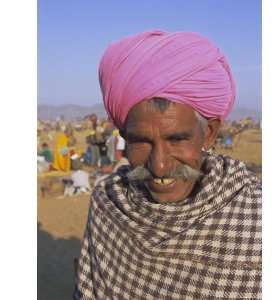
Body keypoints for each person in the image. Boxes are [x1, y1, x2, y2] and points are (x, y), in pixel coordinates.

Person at [75, 30, 261, 299]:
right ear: (125, 138)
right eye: (141, 141)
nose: (159, 166)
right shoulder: (108, 201)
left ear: (208, 133)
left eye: (176, 139)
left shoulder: (256, 221)